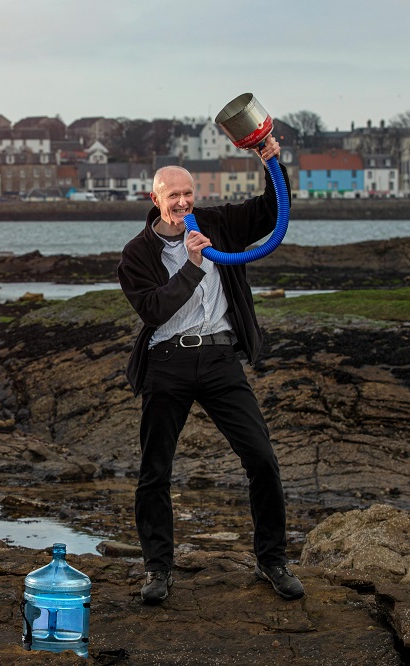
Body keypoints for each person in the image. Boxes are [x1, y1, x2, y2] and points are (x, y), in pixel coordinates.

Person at [117, 135, 304, 604]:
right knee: (154, 471)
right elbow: (154, 310)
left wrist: (271, 160)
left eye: (187, 194)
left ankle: (272, 560)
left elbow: (271, 209)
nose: (181, 202)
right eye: (172, 195)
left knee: (261, 458)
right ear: (154, 199)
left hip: (220, 358)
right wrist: (194, 266)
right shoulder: (136, 254)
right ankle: (158, 569)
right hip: (167, 362)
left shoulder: (218, 223)